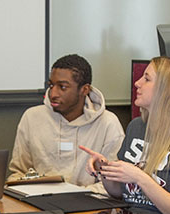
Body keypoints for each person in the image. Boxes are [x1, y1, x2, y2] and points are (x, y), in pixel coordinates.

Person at [80, 57, 170, 214]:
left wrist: (139, 177)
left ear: (167, 90)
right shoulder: (136, 126)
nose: (137, 83)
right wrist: (104, 169)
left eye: (147, 79)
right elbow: (119, 192)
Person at [7, 54, 124, 190]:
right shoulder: (32, 117)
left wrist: (75, 200)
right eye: (51, 85)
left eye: (62, 87)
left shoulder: (108, 123)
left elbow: (113, 184)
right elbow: (18, 174)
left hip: (89, 205)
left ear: (84, 90)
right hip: (39, 204)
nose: (53, 94)